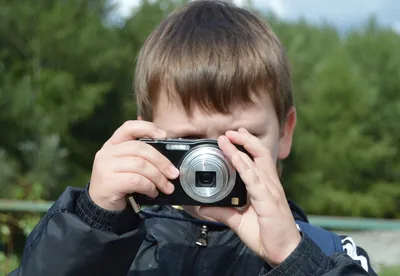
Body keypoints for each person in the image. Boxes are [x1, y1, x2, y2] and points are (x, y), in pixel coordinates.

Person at [9, 1, 377, 275]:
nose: (215, 161)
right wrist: (94, 221)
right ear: (146, 137)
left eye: (243, 139)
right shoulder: (118, 247)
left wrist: (294, 259)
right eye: (189, 140)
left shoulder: (327, 253)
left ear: (284, 133)